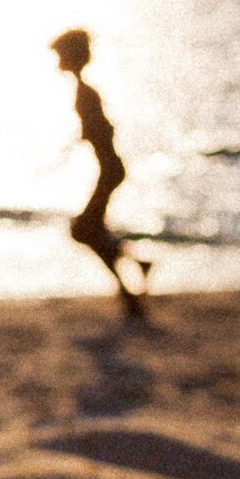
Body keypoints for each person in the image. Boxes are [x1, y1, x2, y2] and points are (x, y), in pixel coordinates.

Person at [52, 29, 151, 317]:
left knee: (85, 230)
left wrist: (87, 138)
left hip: (110, 170)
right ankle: (133, 272)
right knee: (89, 230)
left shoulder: (85, 93)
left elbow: (103, 130)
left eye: (61, 55)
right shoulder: (84, 91)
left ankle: (129, 287)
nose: (58, 60)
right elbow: (102, 129)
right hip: (109, 169)